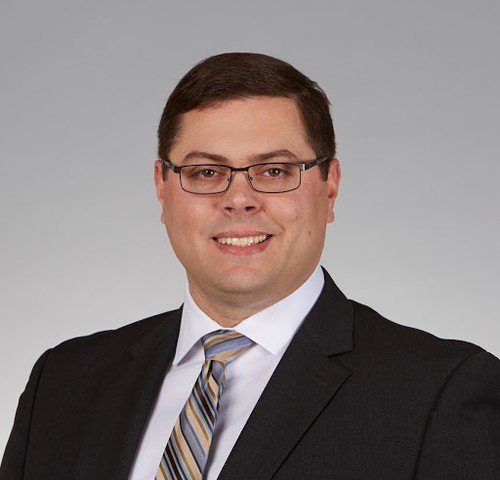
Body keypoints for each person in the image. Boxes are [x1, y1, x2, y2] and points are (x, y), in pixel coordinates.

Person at [1, 52, 499, 480]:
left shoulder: (441, 391)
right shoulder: (63, 382)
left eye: (275, 170)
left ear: (330, 187)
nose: (239, 199)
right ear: (162, 188)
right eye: (206, 172)